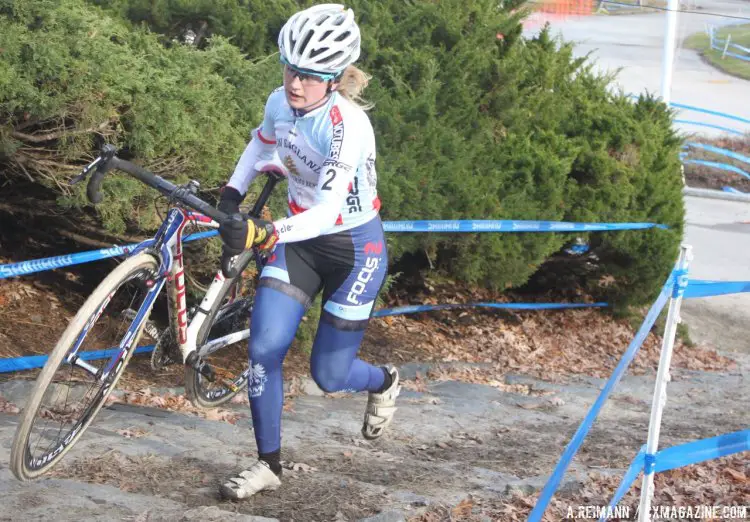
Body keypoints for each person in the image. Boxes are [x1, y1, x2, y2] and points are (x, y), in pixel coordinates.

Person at [215, 4, 400, 500]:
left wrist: (262, 233)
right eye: (290, 69)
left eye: (311, 76)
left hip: (355, 248)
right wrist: (231, 194)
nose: (296, 84)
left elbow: (326, 211)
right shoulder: (280, 100)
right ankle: (267, 463)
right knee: (263, 349)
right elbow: (259, 147)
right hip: (299, 244)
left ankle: (383, 381)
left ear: (335, 78)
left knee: (329, 376)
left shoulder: (349, 126)